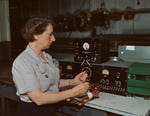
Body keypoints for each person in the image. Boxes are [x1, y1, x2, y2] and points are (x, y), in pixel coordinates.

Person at [12, 17, 89, 116]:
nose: (54, 39)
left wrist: (73, 81)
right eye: (50, 34)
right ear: (36, 35)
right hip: (32, 111)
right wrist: (74, 92)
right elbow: (39, 98)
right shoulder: (22, 62)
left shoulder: (47, 57)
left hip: (50, 110)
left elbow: (49, 82)